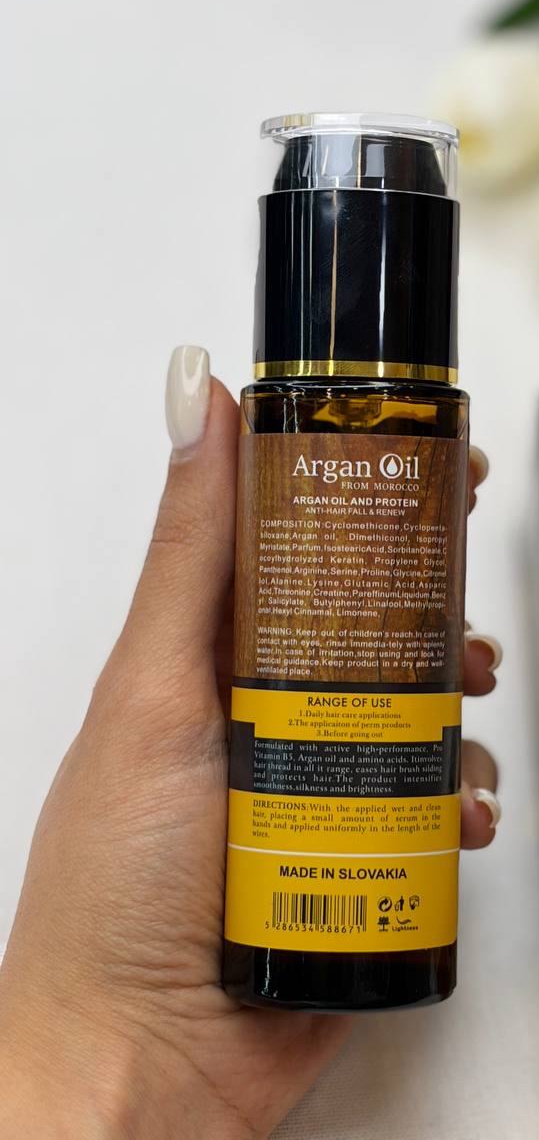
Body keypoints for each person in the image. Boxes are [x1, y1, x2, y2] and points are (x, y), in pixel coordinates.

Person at [0, 350, 502, 1138]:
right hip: (259, 915)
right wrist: (108, 1019)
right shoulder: (281, 412)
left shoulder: (425, 417)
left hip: (366, 905)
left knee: (423, 679)